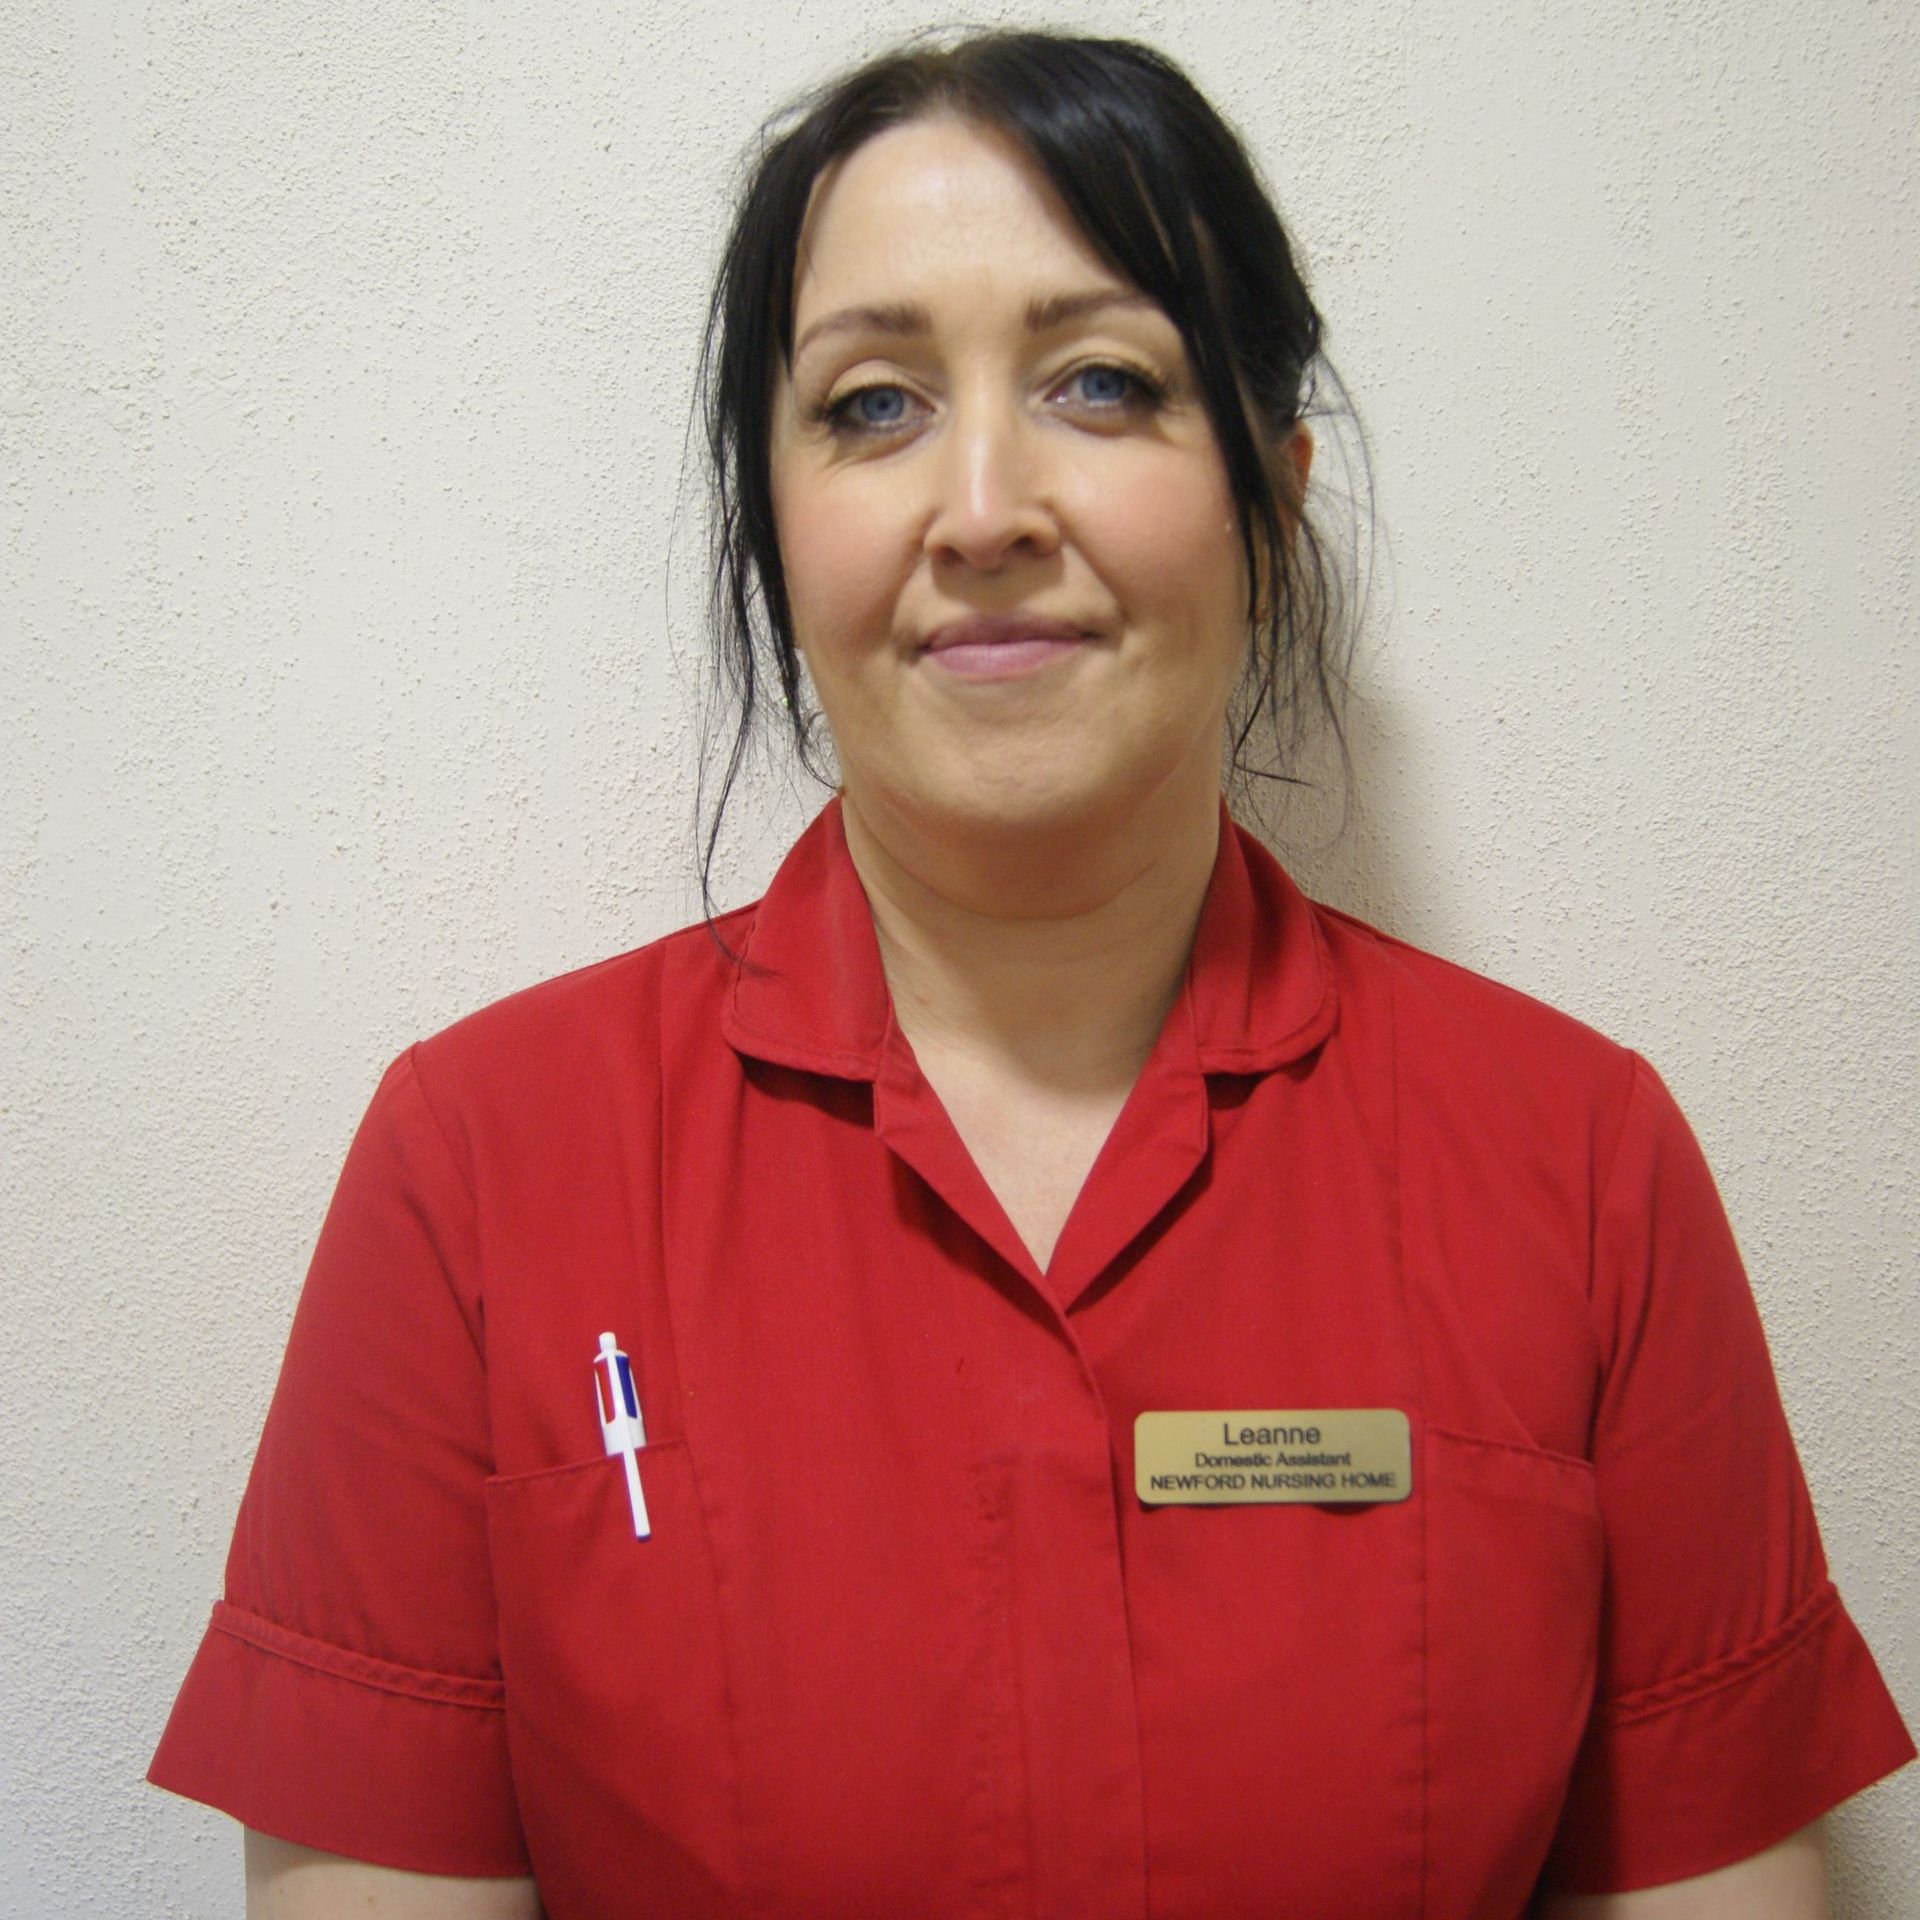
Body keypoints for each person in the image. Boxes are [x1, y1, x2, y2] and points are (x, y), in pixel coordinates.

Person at [147, 28, 1913, 1920]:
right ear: (773, 520)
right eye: (873, 404)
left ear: (1272, 496)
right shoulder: (481, 1170)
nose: (984, 508)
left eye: (1102, 382)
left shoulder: (1582, 1167)